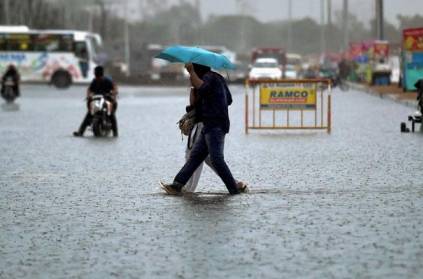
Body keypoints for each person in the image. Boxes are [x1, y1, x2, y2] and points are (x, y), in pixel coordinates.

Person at [162, 63, 246, 195]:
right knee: (195, 157)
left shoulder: (209, 78)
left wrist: (191, 72)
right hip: (209, 125)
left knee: (216, 159)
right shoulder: (217, 78)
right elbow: (228, 99)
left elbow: (203, 88)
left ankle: (234, 188)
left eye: (193, 70)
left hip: (215, 125)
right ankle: (177, 185)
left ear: (198, 69)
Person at [184, 87, 247, 193]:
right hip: (211, 126)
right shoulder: (214, 88)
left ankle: (188, 188)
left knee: (194, 155)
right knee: (209, 158)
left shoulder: (203, 86)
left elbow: (194, 106)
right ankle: (234, 183)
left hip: (203, 125)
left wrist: (193, 92)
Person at [73, 66, 118, 137]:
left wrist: (113, 94)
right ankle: (80, 132)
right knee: (89, 114)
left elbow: (114, 87)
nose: (97, 78)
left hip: (106, 99)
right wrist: (88, 95)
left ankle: (115, 133)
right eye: (96, 76)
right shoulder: (94, 81)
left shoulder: (107, 81)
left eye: (98, 77)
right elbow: (89, 89)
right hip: (96, 100)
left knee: (111, 114)